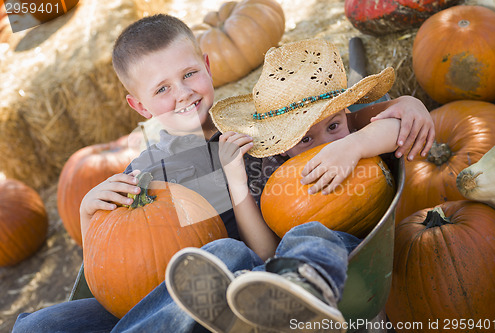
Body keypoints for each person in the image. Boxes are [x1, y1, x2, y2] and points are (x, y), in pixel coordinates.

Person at [12, 15, 433, 333]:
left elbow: (354, 118)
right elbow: (109, 263)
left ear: (208, 67)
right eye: (161, 89)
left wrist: (409, 107)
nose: (183, 93)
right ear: (139, 107)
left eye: (189, 74)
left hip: (247, 274)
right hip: (157, 294)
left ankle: (298, 293)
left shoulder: (261, 133)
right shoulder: (144, 174)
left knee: (224, 255)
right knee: (39, 326)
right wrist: (88, 211)